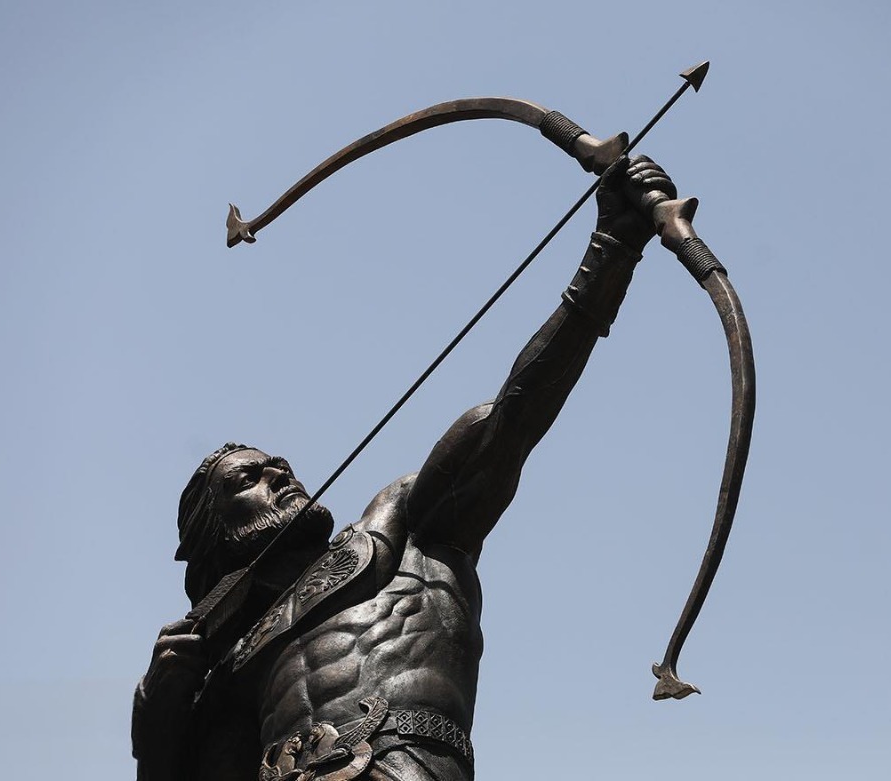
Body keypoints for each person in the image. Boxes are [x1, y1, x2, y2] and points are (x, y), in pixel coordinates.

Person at [133, 155, 677, 781]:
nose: (279, 475)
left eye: (278, 465)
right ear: (216, 534)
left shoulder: (400, 525)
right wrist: (159, 719)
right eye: (245, 480)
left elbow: (512, 420)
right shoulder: (227, 670)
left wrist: (612, 248)